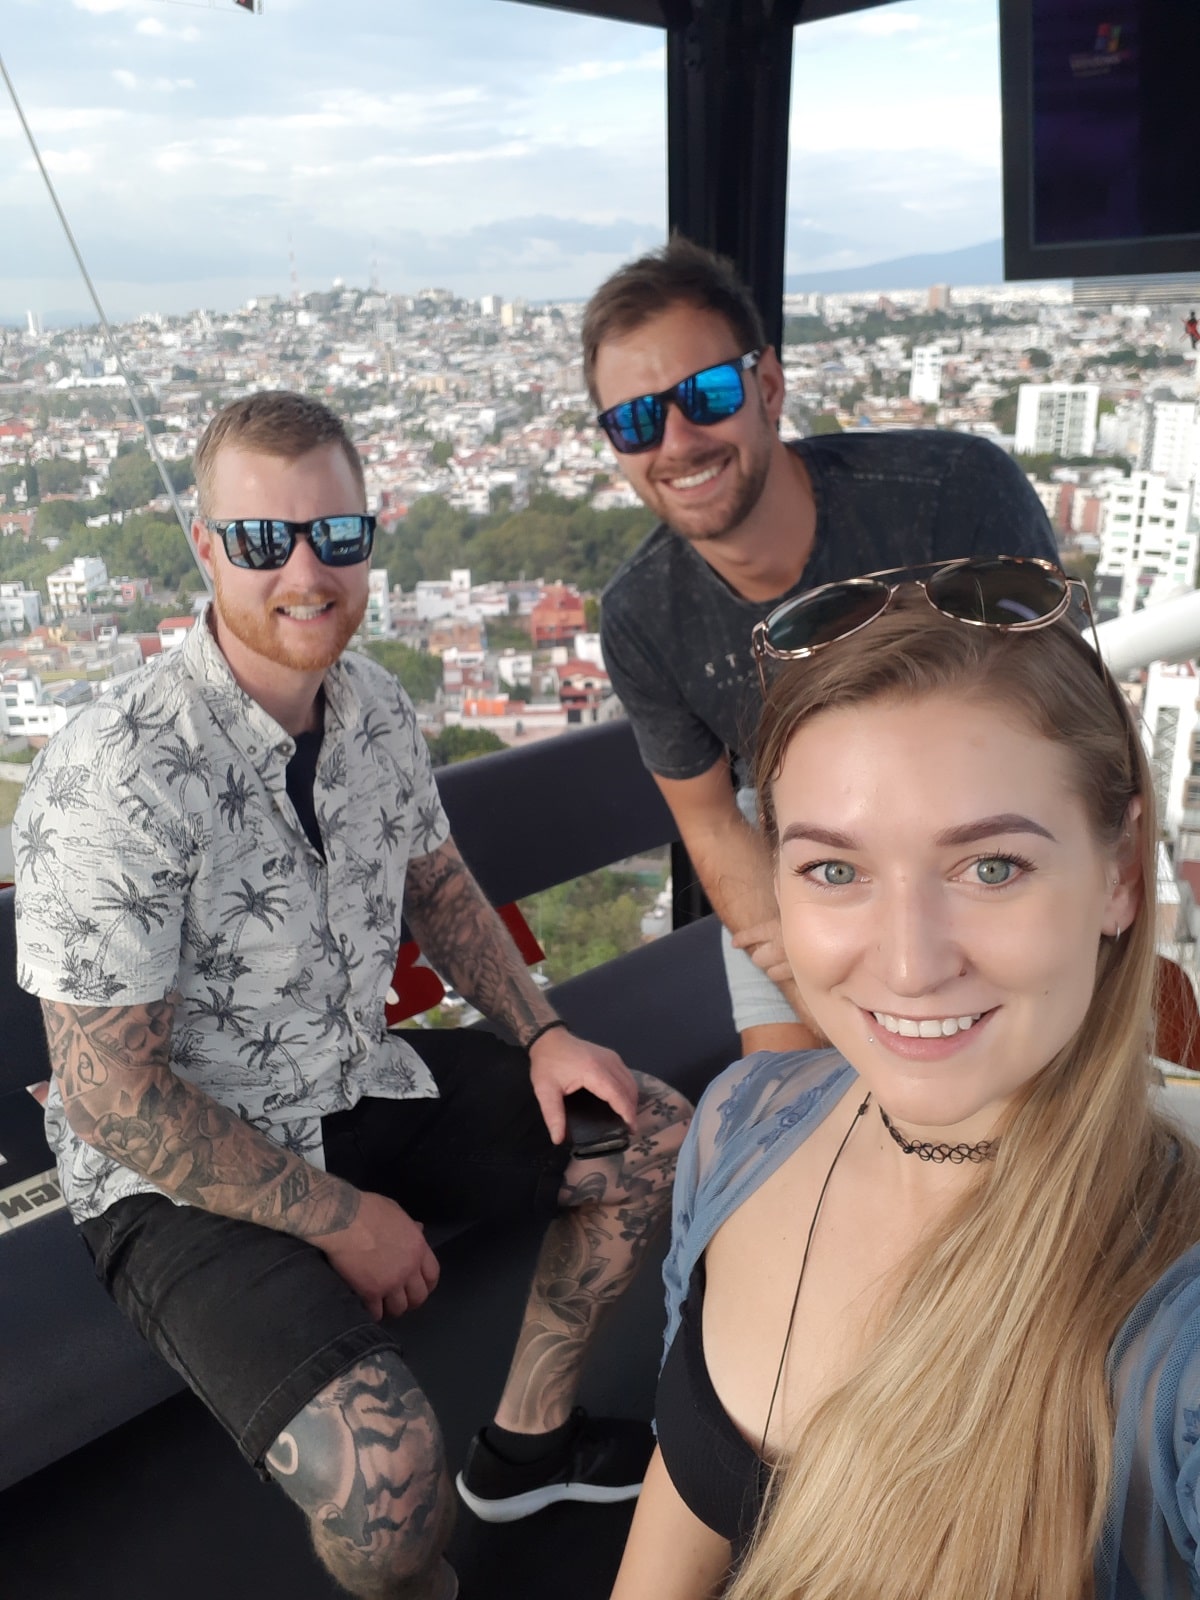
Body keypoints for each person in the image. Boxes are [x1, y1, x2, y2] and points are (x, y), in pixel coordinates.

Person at [13, 392, 691, 1600]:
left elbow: (435, 876)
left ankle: (528, 1449)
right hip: (172, 1165)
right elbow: (114, 1097)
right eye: (267, 541)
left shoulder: (371, 702)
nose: (307, 572)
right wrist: (344, 1219)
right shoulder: (118, 769)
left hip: (347, 1075)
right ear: (209, 549)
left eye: (337, 534)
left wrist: (540, 1033)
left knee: (650, 1137)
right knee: (385, 1492)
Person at [609, 556, 1200, 1600]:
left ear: (1116, 877)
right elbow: (688, 1480)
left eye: (991, 866)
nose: (910, 962)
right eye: (835, 869)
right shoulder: (739, 1130)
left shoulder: (1173, 1337)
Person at [585, 237, 1059, 1061]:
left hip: (978, 832)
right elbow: (711, 825)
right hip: (795, 860)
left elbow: (1060, 732)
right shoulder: (642, 615)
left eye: (707, 394)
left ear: (767, 386)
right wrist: (812, 978)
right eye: (635, 419)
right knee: (783, 1131)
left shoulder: (951, 497)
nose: (677, 439)